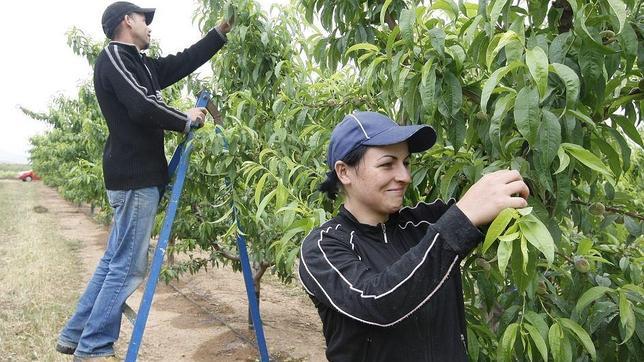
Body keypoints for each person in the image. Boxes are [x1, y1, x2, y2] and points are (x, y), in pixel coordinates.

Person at [55, 2, 232, 360]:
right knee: (127, 266)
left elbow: (178, 64)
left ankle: (75, 335)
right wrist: (185, 118)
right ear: (126, 22)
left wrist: (217, 35)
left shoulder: (140, 64)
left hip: (134, 177)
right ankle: (93, 348)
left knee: (113, 261)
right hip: (134, 177)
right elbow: (140, 104)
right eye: (144, 19)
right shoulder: (115, 58)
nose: (149, 26)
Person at [298, 111, 529, 361]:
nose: (405, 176)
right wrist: (461, 219)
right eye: (387, 164)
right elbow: (376, 302)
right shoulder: (322, 247)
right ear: (344, 172)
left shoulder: (424, 223)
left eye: (406, 163)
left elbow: (502, 206)